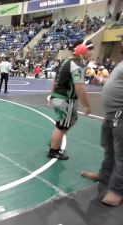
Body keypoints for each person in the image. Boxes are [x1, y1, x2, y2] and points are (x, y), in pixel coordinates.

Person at [81, 35, 123, 206]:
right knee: (109, 147)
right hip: (111, 115)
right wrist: (102, 80)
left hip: (120, 114)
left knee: (121, 154)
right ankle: (105, 176)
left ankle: (118, 191)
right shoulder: (121, 63)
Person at [47, 40, 93, 160]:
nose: (91, 54)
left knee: (71, 120)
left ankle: (54, 141)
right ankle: (54, 150)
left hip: (58, 97)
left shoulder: (64, 61)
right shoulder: (77, 66)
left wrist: (51, 96)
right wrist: (86, 105)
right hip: (66, 99)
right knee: (62, 126)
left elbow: (54, 80)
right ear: (82, 53)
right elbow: (80, 88)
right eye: (89, 51)